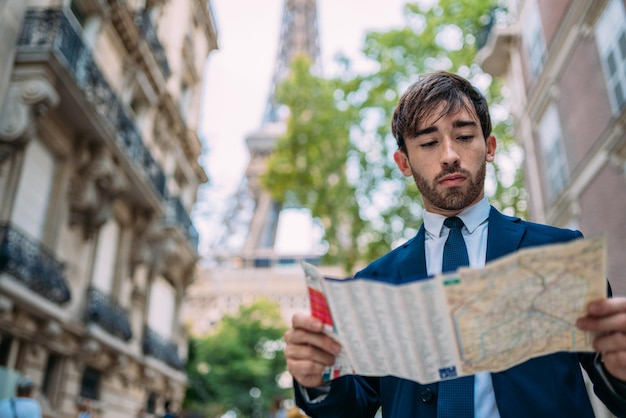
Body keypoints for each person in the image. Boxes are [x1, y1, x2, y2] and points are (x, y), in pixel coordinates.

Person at [283, 71, 626, 417]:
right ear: (404, 162)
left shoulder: (561, 255)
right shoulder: (374, 282)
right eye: (429, 143)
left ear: (489, 147)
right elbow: (353, 408)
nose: (449, 155)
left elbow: (615, 388)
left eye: (463, 136)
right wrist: (317, 380)